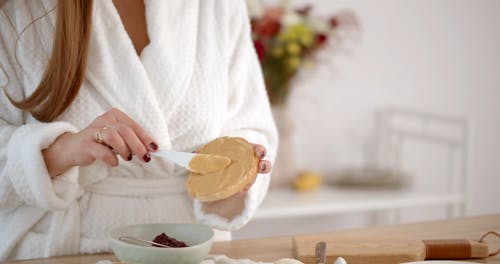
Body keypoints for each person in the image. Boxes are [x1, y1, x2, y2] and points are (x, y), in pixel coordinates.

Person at [0, 0, 277, 261]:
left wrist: (233, 176)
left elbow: (250, 122)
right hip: (66, 250)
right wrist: (59, 152)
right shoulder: (20, 11)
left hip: (193, 251)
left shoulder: (216, 5)